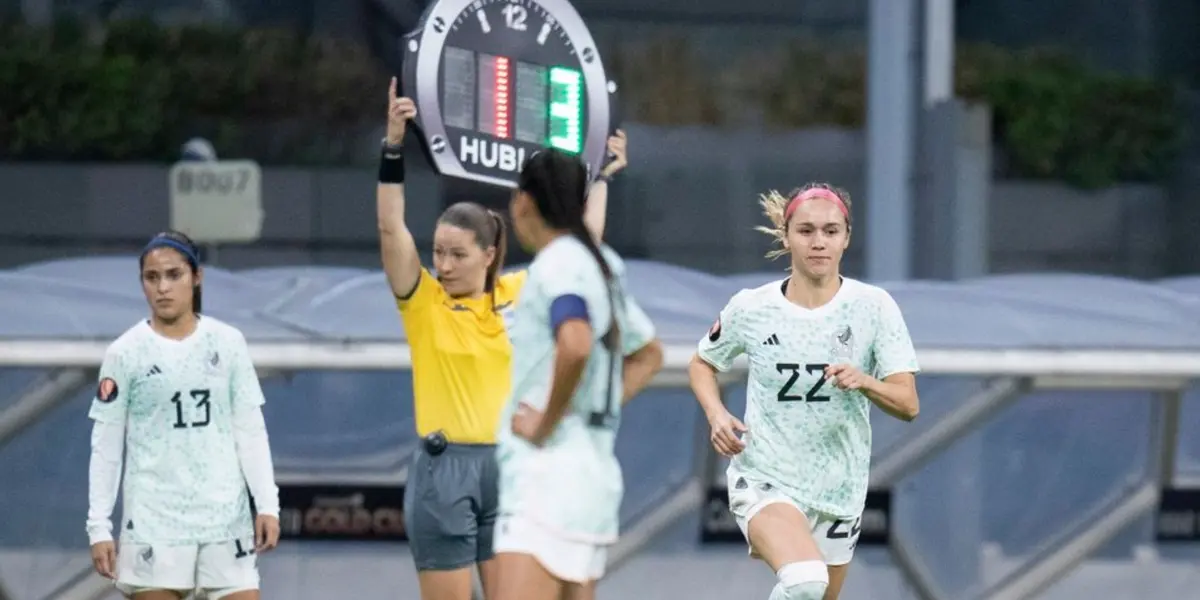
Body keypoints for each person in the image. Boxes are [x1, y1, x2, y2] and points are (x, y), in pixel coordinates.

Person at [376, 78, 630, 600]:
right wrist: (393, 147)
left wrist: (601, 176)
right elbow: (389, 229)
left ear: (489, 253)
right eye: (438, 252)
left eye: (457, 254)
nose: (442, 265)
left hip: (510, 466)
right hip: (444, 469)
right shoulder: (422, 299)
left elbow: (586, 243)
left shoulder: (523, 290)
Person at [687, 184, 920, 600]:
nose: (818, 243)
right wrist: (716, 414)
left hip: (840, 490)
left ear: (847, 237)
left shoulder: (873, 306)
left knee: (814, 594)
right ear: (786, 234)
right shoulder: (752, 308)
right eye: (806, 231)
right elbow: (703, 362)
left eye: (830, 232)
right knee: (805, 582)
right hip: (766, 477)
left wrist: (864, 381)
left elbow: (908, 403)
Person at [491, 148, 664, 600]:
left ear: (523, 201)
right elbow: (647, 355)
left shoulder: (558, 262)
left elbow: (575, 341)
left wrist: (546, 422)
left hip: (543, 482)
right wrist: (588, 407)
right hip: (591, 480)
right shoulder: (603, 264)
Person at [87, 230, 281, 600]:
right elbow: (106, 445)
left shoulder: (228, 343)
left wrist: (267, 504)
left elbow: (250, 430)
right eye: (152, 277)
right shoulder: (125, 353)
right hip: (153, 524)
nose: (162, 287)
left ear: (196, 277)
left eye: (173, 275)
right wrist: (98, 527)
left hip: (225, 521)